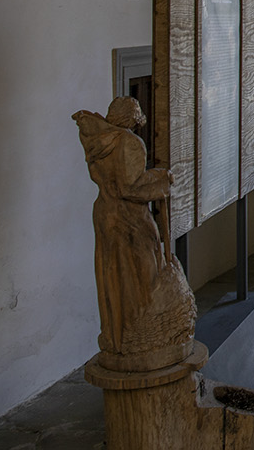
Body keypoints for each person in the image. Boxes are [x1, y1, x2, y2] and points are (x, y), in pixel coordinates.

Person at [73, 97, 194, 366]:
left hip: (105, 213)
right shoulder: (129, 143)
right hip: (129, 218)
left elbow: (116, 183)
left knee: (114, 276)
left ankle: (117, 336)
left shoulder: (98, 139)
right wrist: (161, 178)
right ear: (132, 117)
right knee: (141, 277)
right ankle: (139, 337)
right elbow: (131, 188)